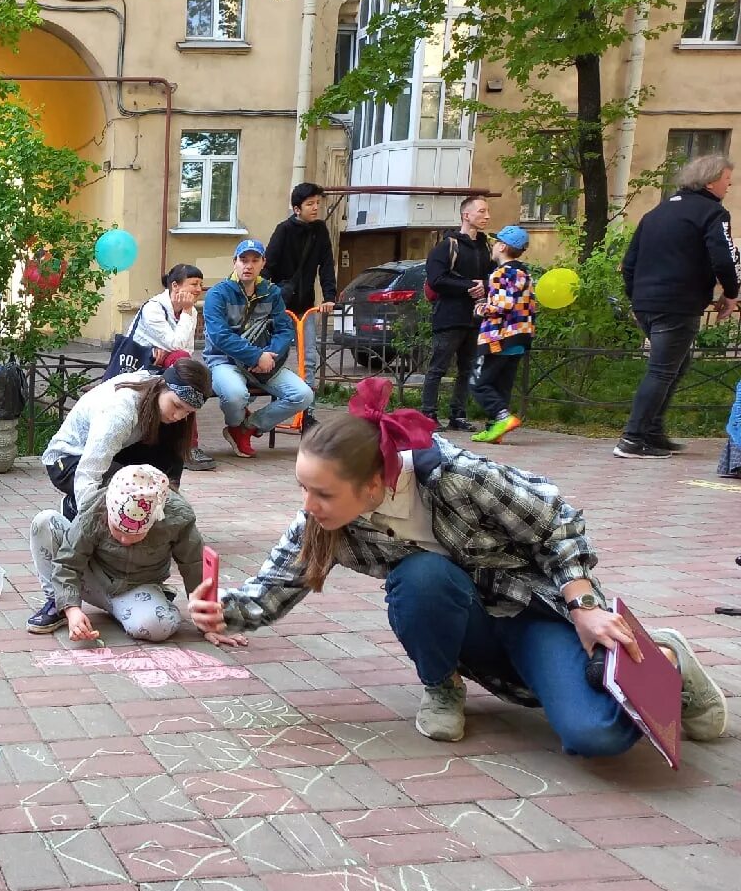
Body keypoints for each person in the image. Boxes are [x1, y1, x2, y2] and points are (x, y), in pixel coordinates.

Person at [187, 378, 728, 756]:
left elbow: (556, 519)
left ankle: (662, 657)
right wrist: (218, 610)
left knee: (596, 738)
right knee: (421, 577)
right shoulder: (328, 523)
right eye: (303, 488)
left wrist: (584, 604)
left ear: (375, 485)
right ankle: (443, 686)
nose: (308, 504)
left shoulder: (456, 477)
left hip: (533, 612)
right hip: (469, 625)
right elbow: (273, 587)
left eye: (321, 492)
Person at [617, 153, 741, 460]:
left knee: (676, 364)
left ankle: (653, 431)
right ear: (712, 181)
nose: (729, 186)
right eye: (727, 180)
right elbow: (725, 257)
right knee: (661, 370)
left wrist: (637, 298)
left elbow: (629, 262)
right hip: (678, 304)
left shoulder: (657, 212)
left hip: (648, 302)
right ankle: (632, 439)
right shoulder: (713, 213)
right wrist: (732, 293)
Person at [26, 464, 207, 640]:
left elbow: (194, 565)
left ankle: (149, 602)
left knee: (157, 626)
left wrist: (206, 620)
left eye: (134, 534)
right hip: (91, 578)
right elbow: (68, 561)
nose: (124, 540)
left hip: (135, 586)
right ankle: (57, 603)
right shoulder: (96, 507)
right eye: (118, 531)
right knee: (45, 521)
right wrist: (71, 609)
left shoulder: (177, 516)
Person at [40, 361, 212, 521]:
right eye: (177, 405)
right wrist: (86, 521)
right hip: (69, 461)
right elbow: (89, 471)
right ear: (161, 385)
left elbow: (169, 469)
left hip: (116, 451)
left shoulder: (159, 402)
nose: (179, 415)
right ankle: (73, 507)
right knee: (134, 488)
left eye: (188, 412)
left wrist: (167, 516)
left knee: (154, 479)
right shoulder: (120, 411)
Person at [201, 239, 315, 458]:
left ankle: (246, 428)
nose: (248, 266)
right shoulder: (218, 294)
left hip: (265, 362)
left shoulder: (271, 293)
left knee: (303, 395)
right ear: (234, 262)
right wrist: (255, 356)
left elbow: (284, 330)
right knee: (235, 395)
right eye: (243, 260)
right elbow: (219, 336)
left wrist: (270, 355)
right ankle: (235, 426)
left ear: (263, 263)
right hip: (224, 360)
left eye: (254, 260)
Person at [132, 264, 215, 472]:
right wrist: (187, 313)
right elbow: (177, 344)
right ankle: (189, 446)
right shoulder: (154, 308)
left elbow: (186, 350)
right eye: (194, 284)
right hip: (141, 366)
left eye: (201, 285)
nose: (198, 290)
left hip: (168, 366)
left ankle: (187, 447)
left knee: (188, 381)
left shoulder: (191, 312)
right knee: (185, 378)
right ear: (175, 286)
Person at [422, 195, 496, 430]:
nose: (487, 216)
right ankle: (428, 415)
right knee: (438, 367)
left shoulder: (487, 247)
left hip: (475, 317)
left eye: (487, 212)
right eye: (482, 211)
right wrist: (468, 286)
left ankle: (458, 415)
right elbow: (436, 279)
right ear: (466, 215)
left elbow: (496, 276)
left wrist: (484, 284)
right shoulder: (446, 246)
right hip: (450, 317)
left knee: (467, 368)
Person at [470, 225, 539, 444]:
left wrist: (481, 307)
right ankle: (495, 430)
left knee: (478, 382)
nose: (491, 247)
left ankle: (503, 417)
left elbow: (502, 305)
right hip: (519, 337)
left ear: (501, 246)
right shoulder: (523, 273)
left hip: (498, 337)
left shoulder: (501, 273)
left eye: (494, 243)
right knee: (501, 385)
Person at [263, 183, 338, 381]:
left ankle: (308, 410)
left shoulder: (320, 230)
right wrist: (261, 298)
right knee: (275, 356)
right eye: (310, 204)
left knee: (309, 358)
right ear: (297, 209)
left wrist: (330, 296)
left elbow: (327, 264)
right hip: (281, 307)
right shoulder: (284, 230)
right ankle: (263, 399)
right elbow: (267, 266)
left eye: (317, 203)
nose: (315, 208)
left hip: (305, 306)